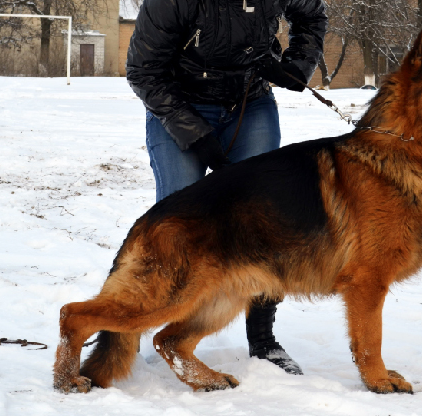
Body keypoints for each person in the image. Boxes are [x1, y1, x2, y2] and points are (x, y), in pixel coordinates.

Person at [126, 0, 327, 375]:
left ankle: (263, 338)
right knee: (176, 226)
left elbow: (312, 13)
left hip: (251, 103)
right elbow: (143, 70)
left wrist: (296, 66)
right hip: (179, 104)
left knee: (265, 222)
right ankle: (132, 323)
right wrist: (194, 133)